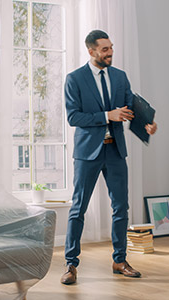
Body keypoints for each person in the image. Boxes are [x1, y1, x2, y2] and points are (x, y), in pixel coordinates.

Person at [61, 29, 157, 285]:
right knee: (78, 208)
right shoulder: (74, 79)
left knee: (121, 208)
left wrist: (147, 124)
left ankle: (120, 260)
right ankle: (71, 264)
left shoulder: (120, 77)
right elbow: (73, 117)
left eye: (111, 47)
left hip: (115, 150)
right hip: (87, 153)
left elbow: (130, 110)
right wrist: (107, 116)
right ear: (91, 51)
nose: (110, 53)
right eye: (104, 49)